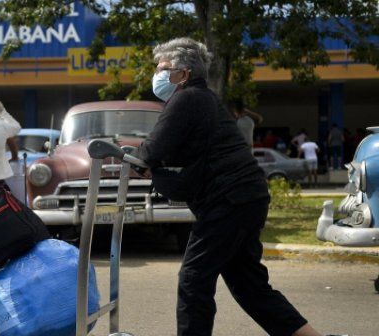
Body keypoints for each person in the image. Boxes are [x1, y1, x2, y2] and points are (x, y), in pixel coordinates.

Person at [137, 37, 333, 336]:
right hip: (247, 197)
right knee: (249, 286)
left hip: (228, 200)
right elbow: (177, 153)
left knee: (194, 279)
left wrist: (136, 160)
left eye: (163, 69)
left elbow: (151, 152)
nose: (157, 75)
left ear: (183, 74)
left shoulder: (186, 98)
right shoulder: (205, 100)